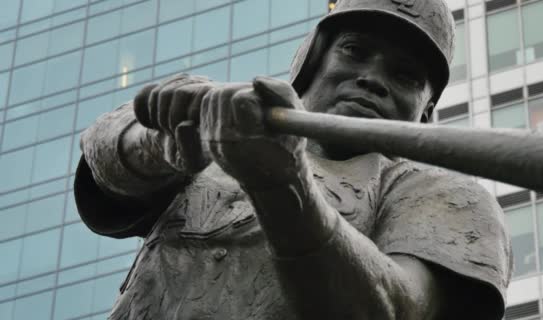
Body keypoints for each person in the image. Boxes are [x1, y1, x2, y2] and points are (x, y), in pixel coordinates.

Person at [75, 0, 512, 319]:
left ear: (426, 110)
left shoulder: (446, 196)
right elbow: (103, 163)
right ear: (310, 64)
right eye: (355, 50)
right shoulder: (227, 136)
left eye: (404, 75)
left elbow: (396, 310)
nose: (372, 78)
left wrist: (283, 185)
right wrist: (165, 136)